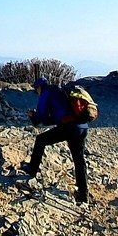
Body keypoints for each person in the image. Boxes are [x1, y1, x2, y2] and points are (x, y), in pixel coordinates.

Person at [21, 77, 88, 205]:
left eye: (36, 89)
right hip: (82, 126)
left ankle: (32, 170)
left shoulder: (46, 94)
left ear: (39, 87)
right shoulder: (60, 91)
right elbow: (57, 116)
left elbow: (41, 118)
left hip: (69, 127)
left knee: (40, 139)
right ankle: (83, 194)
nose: (37, 92)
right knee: (79, 159)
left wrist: (33, 116)